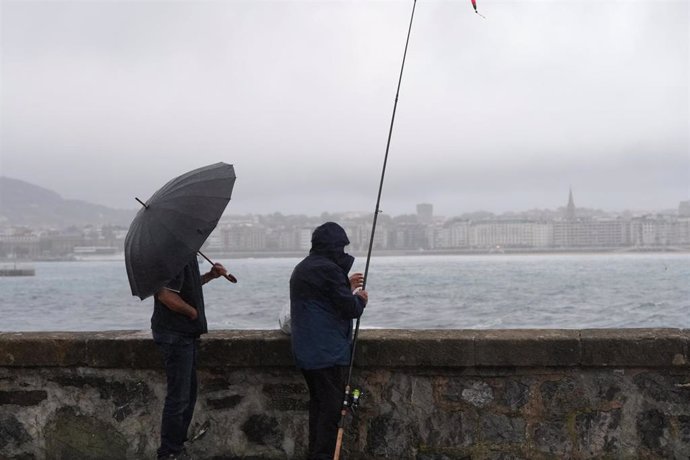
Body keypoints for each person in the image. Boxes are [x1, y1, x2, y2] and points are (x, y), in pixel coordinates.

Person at [289, 222, 369, 460]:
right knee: (332, 409)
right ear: (335, 247)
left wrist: (345, 285)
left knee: (319, 405)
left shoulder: (305, 267)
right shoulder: (329, 270)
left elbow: (321, 296)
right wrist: (361, 299)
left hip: (306, 351)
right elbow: (349, 308)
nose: (343, 253)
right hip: (326, 353)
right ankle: (323, 455)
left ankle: (316, 453)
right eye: (341, 248)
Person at [151, 257, 229, 459]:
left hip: (184, 334)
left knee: (187, 394)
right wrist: (192, 313)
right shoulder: (173, 258)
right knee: (179, 398)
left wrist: (210, 276)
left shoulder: (184, 256)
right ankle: (169, 452)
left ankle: (176, 447)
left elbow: (185, 288)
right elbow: (166, 295)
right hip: (175, 334)